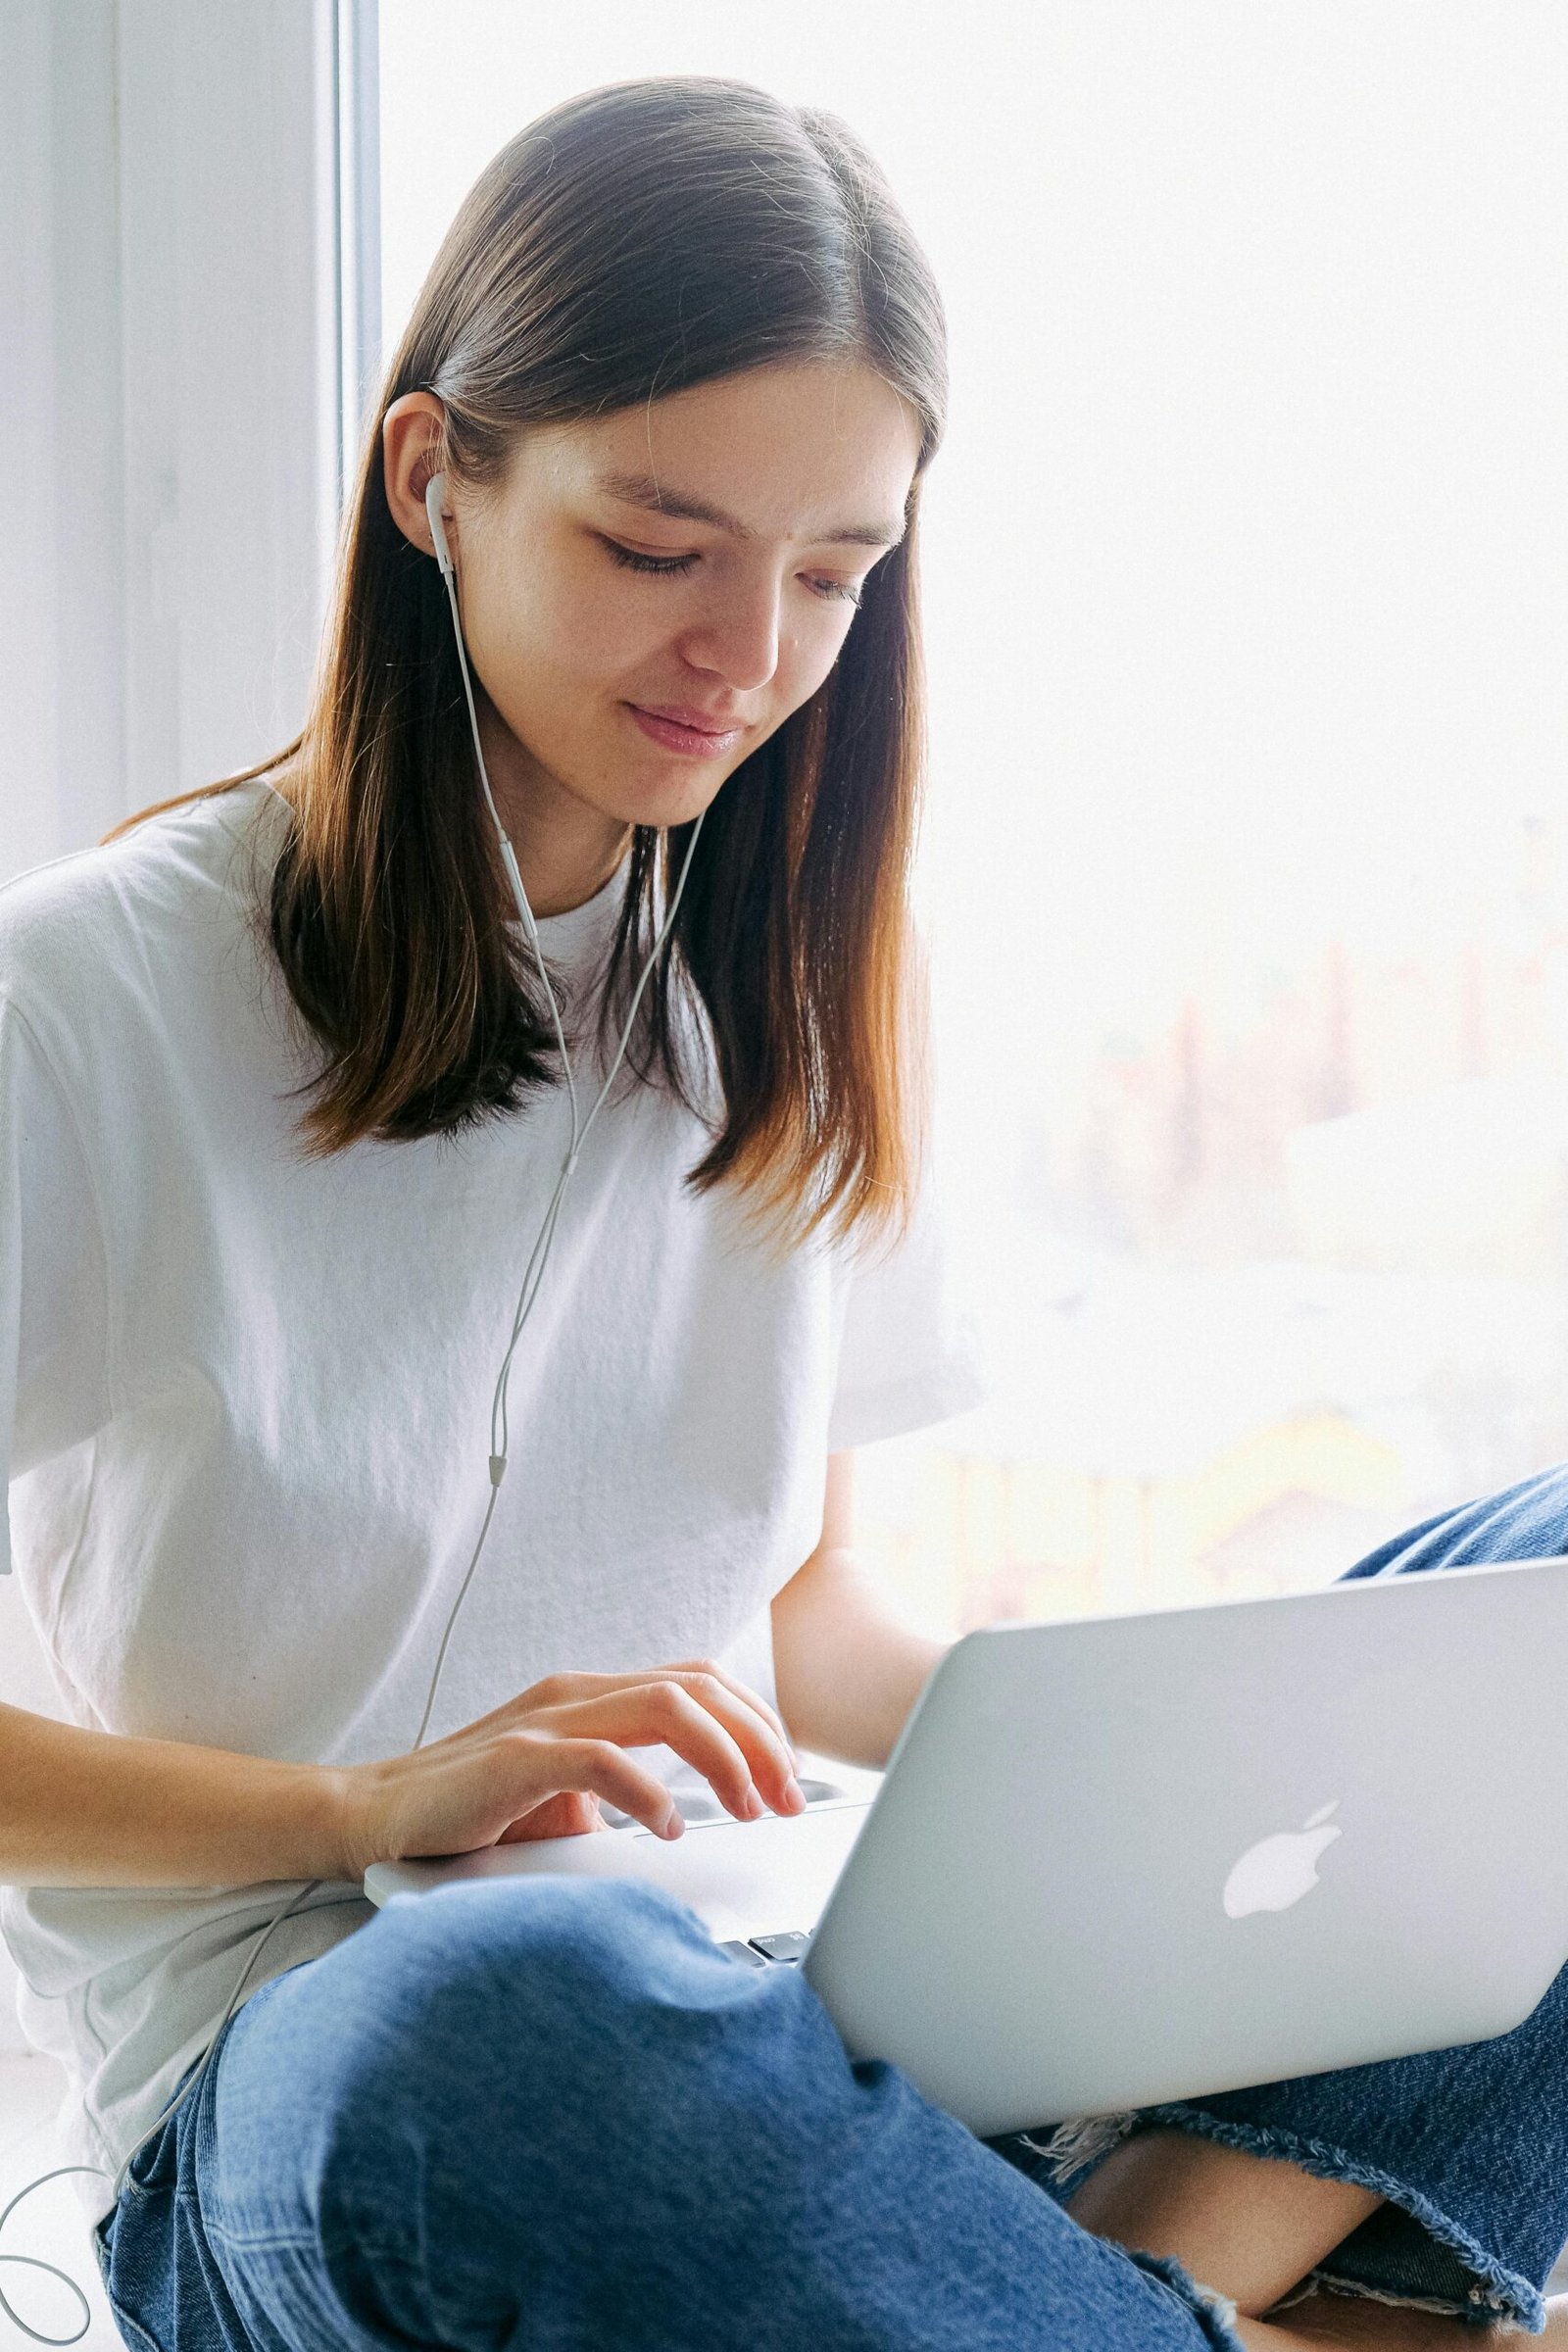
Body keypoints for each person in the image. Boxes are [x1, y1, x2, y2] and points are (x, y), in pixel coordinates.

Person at [1, 71, 1566, 2352]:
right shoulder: (87, 1003)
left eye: (832, 573)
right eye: (658, 546)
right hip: (349, 2083)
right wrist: (365, 1804)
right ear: (434, 479)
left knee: (1525, 1609)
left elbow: (800, 1611)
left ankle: (1106, 2302)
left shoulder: (810, 980)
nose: (745, 653)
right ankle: (1223, 2296)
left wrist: (1131, 1808)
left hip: (782, 2005)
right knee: (506, 2013)